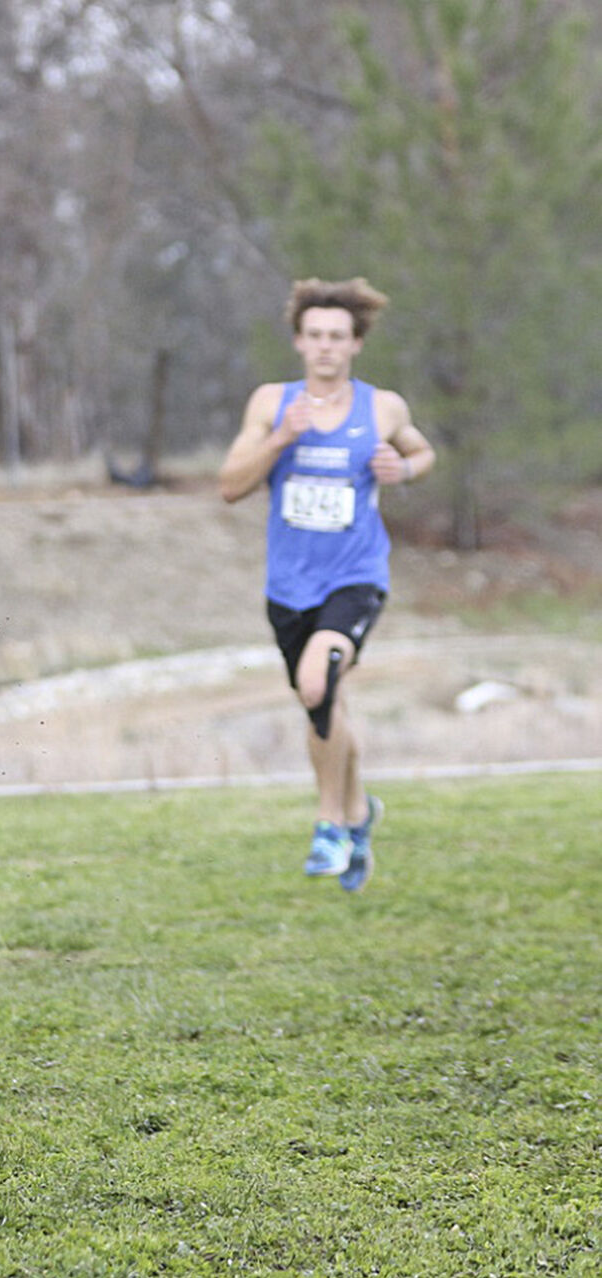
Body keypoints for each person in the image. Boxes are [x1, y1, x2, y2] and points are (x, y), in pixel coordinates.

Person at [220, 276, 436, 892]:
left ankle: (328, 826)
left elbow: (423, 454)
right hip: (289, 586)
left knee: (319, 681)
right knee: (325, 704)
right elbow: (230, 485)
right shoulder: (270, 404)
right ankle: (361, 813)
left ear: (356, 345)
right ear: (297, 341)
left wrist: (405, 468)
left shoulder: (383, 408)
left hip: (356, 576)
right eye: (314, 335)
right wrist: (283, 437)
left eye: (337, 337)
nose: (325, 348)